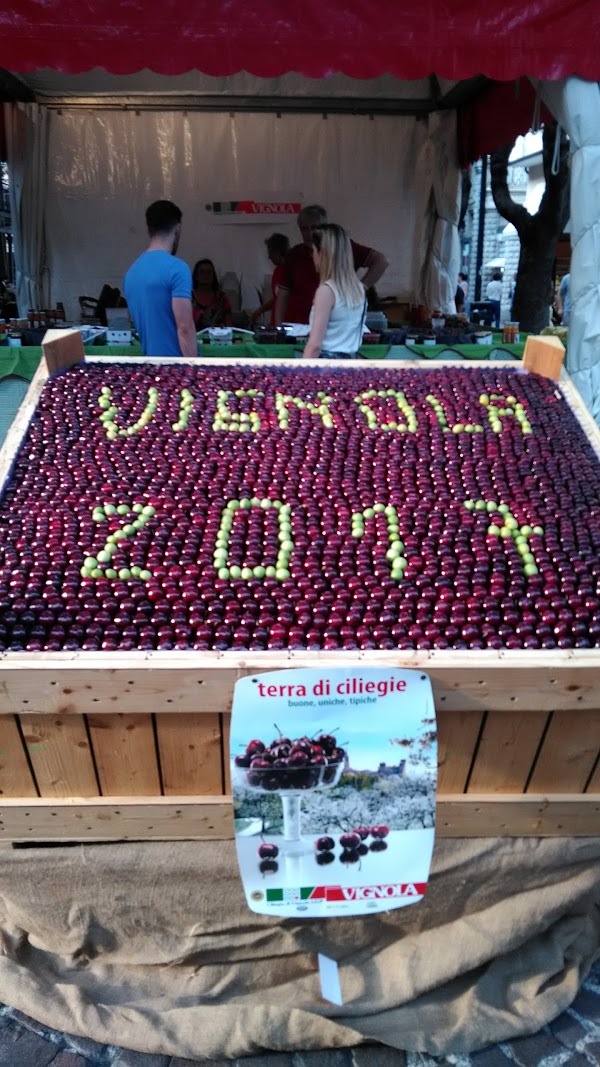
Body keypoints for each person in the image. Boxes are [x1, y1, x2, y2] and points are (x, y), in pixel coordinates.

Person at [275, 204, 388, 325]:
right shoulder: (294, 255)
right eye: (304, 229)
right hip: (300, 326)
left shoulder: (343, 247)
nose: (309, 233)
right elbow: (283, 295)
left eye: (314, 228)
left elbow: (381, 261)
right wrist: (278, 327)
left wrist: (361, 288)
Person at [124, 200, 196, 358]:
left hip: (150, 366)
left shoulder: (132, 272)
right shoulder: (177, 269)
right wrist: (194, 369)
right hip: (176, 370)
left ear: (148, 230)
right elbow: (185, 328)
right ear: (178, 228)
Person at [302, 223, 367, 360]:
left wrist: (300, 372)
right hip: (351, 364)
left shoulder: (326, 291)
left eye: (313, 251)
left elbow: (314, 345)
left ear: (322, 254)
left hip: (327, 367)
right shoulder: (359, 289)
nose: (312, 256)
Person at [250, 233, 290, 327]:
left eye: (270, 252)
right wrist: (260, 310)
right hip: (276, 324)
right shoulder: (277, 271)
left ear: (277, 251)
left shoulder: (291, 272)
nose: (269, 257)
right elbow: (277, 299)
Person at [191, 259, 232, 329]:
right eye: (202, 272)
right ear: (196, 276)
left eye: (209, 272)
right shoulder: (188, 298)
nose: (206, 275)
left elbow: (229, 325)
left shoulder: (222, 298)